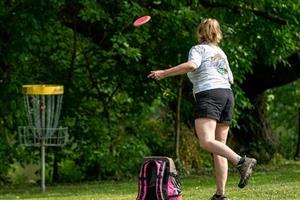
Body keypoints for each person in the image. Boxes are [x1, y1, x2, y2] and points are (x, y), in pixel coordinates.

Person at [147, 18, 257, 200]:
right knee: (219, 147)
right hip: (227, 95)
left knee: (206, 142)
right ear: (217, 34)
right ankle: (220, 195)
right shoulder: (221, 53)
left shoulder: (198, 49)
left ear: (200, 33)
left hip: (209, 94)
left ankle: (242, 161)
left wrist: (163, 73)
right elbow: (231, 79)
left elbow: (192, 65)